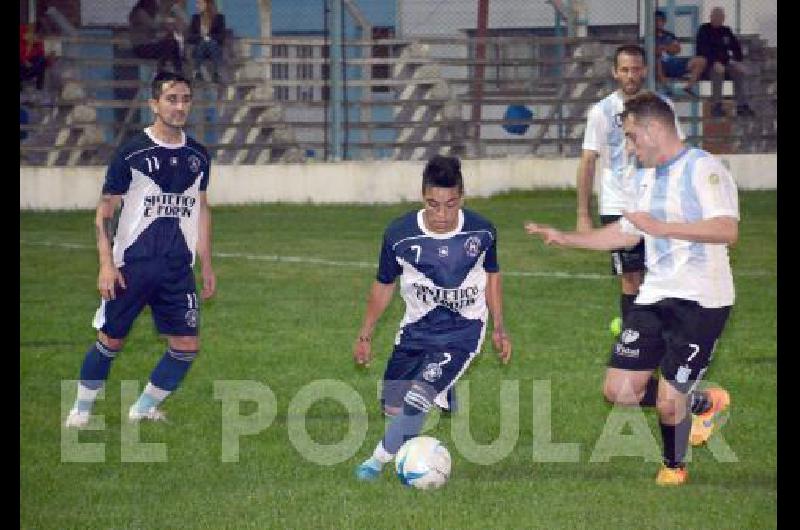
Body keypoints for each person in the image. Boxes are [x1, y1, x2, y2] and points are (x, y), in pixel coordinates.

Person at [526, 92, 735, 485]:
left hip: (703, 300)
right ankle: (704, 401)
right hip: (655, 295)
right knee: (618, 389)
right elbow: (624, 234)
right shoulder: (642, 178)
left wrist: (662, 228)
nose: (629, 146)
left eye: (632, 136)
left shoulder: (703, 170)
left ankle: (675, 467)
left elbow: (727, 229)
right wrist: (566, 238)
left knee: (669, 406)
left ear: (655, 131)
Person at [65, 71, 216, 428]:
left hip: (178, 268)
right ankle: (81, 410)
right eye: (171, 99)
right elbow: (104, 210)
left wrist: (206, 263)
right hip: (132, 266)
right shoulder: (133, 151)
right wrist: (105, 264)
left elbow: (202, 208)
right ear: (154, 104)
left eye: (185, 99)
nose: (180, 107)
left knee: (186, 345)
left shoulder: (199, 155)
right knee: (111, 340)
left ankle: (144, 407)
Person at [352, 155, 512, 480]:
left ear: (462, 197)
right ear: (422, 195)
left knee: (417, 401)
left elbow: (492, 275)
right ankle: (442, 389)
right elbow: (384, 286)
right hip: (416, 328)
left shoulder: (482, 231)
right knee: (392, 407)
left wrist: (499, 326)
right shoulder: (400, 235)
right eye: (432, 204)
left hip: (463, 330)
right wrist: (365, 334)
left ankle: (375, 462)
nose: (441, 215)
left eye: (450, 205)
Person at [576, 44, 683, 336]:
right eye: (624, 69)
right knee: (630, 277)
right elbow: (588, 160)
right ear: (615, 72)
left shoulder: (663, 109)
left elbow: (677, 156)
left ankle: (659, 335)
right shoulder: (602, 112)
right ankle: (635, 343)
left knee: (661, 273)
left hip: (657, 204)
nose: (631, 75)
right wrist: (583, 214)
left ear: (645, 70)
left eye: (636, 69)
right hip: (618, 206)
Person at [695, 6, 755, 117]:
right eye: (715, 16)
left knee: (739, 73)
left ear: (723, 18)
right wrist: (714, 62)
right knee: (718, 72)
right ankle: (716, 106)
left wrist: (738, 62)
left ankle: (741, 106)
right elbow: (702, 50)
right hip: (708, 64)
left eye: (720, 17)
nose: (718, 19)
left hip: (726, 63)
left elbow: (736, 47)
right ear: (711, 17)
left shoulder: (726, 31)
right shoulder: (704, 30)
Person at [654, 10, 706, 97]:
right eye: (656, 20)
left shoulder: (669, 35)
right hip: (660, 66)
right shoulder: (649, 36)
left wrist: (665, 48)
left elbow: (677, 49)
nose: (658, 23)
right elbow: (652, 51)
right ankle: (667, 88)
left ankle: (688, 87)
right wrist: (666, 48)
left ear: (664, 22)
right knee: (657, 60)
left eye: (660, 20)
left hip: (674, 63)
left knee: (701, 60)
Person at [129, 0, 183, 74]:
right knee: (172, 44)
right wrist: (166, 25)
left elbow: (154, 32)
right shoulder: (140, 13)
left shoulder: (149, 13)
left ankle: (171, 68)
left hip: (149, 44)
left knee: (171, 43)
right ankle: (176, 69)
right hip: (141, 47)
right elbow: (153, 26)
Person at [187, 0, 226, 83]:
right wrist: (202, 37)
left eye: (199, 3)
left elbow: (222, 36)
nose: (197, 6)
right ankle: (216, 72)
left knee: (212, 43)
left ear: (207, 4)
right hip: (199, 49)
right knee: (204, 43)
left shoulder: (219, 18)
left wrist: (209, 38)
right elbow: (190, 37)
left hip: (213, 48)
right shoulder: (195, 18)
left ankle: (197, 72)